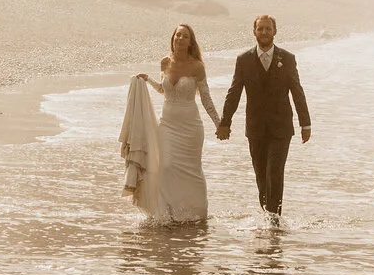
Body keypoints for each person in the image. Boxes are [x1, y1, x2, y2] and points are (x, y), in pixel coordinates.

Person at [217, 13, 311, 217]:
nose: (264, 32)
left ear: (274, 31)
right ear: (254, 32)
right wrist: (225, 122)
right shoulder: (243, 60)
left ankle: (274, 220)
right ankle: (268, 216)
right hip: (255, 128)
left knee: (274, 173)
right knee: (261, 177)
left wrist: (305, 124)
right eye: (260, 28)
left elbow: (297, 91)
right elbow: (234, 92)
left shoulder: (287, 59)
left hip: (281, 128)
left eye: (268, 28)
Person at [132, 23, 219, 224]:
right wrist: (148, 80)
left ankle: (195, 214)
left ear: (190, 43)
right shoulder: (165, 62)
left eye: (185, 36)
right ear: (173, 38)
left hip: (190, 128)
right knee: (166, 166)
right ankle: (166, 214)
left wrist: (219, 123)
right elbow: (164, 90)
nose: (180, 39)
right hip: (167, 125)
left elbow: (205, 98)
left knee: (192, 172)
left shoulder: (197, 66)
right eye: (177, 35)